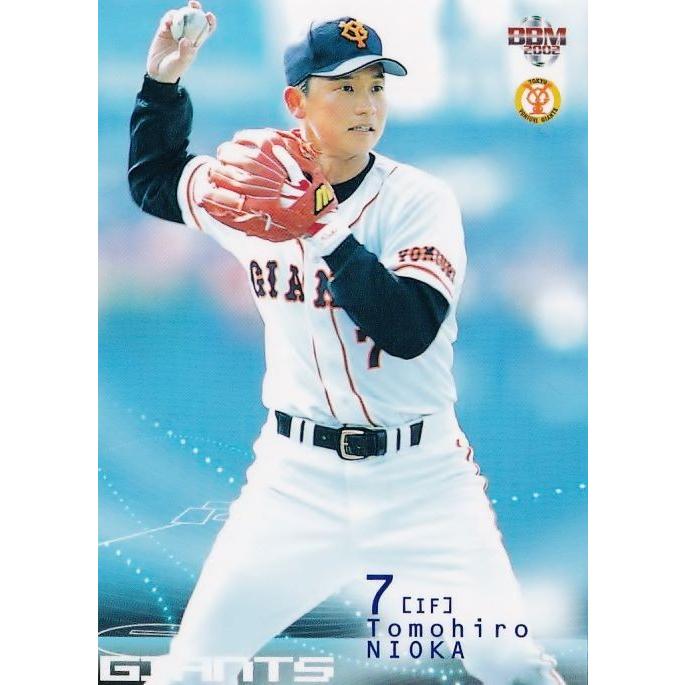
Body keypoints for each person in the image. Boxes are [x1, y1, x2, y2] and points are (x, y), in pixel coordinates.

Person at [128, 3, 565, 683]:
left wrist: (322, 224)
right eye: (344, 87)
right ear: (296, 102)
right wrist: (163, 81)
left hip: (422, 481)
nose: (367, 104)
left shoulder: (418, 199)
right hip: (294, 480)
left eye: (376, 85)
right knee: (194, 668)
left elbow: (408, 329)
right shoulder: (258, 184)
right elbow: (157, 179)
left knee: (513, 667)